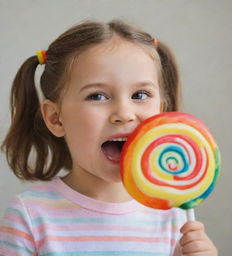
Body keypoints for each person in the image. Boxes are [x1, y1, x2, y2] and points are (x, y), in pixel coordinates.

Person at [0, 20, 217, 256]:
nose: (124, 114)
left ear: (160, 113)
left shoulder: (174, 216)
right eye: (98, 96)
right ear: (56, 118)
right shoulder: (30, 216)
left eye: (140, 94)